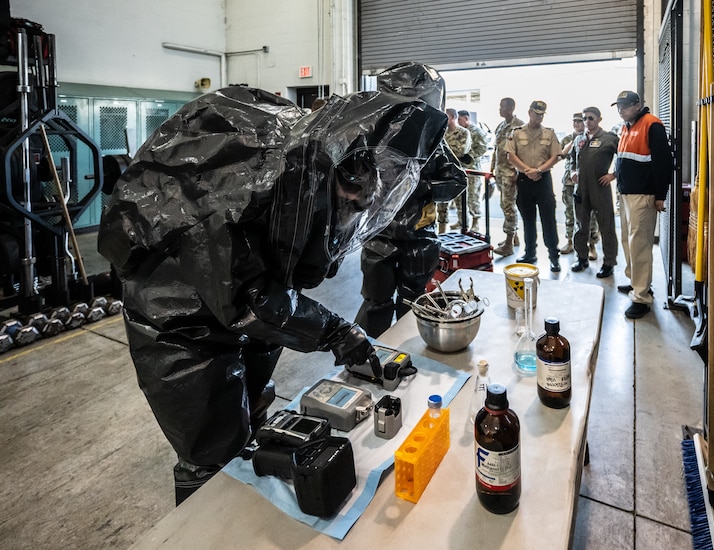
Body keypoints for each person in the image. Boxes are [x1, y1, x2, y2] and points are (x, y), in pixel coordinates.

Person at [97, 79, 450, 504]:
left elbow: (276, 277)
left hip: (247, 309)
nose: (349, 217)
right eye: (350, 205)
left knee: (254, 416)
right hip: (180, 325)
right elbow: (247, 296)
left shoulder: (305, 175)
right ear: (331, 182)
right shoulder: (232, 196)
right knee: (210, 453)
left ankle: (242, 496)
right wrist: (336, 332)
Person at [355, 63, 466, 337]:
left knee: (412, 303)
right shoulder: (371, 140)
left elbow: (457, 181)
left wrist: (419, 185)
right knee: (375, 302)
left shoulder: (432, 144)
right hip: (378, 235)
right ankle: (367, 356)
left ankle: (410, 355)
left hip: (418, 237)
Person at [611, 90, 673, 319]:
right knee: (628, 241)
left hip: (642, 196)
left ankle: (642, 298)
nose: (621, 110)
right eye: (618, 106)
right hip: (626, 194)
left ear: (638, 105)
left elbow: (664, 163)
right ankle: (637, 282)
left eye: (625, 106)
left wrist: (660, 196)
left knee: (640, 245)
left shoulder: (651, 125)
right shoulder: (627, 126)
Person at [504, 100, 563, 272]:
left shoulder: (549, 134)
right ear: (529, 112)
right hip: (524, 180)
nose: (539, 117)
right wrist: (527, 170)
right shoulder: (516, 132)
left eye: (541, 114)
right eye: (536, 113)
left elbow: (555, 156)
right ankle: (530, 253)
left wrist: (538, 170)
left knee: (548, 220)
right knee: (528, 220)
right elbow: (510, 155)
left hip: (543, 180)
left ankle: (554, 256)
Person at [569, 106, 619, 279]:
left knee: (606, 226)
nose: (587, 121)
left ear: (599, 119)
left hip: (600, 188)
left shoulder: (609, 139)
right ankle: (581, 257)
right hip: (581, 189)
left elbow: (623, 158)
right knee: (581, 225)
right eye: (584, 118)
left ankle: (609, 263)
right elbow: (571, 158)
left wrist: (613, 175)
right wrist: (572, 171)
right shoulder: (579, 139)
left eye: (591, 118)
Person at [559, 112, 599, 259]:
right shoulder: (568, 139)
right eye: (574, 121)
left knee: (590, 216)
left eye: (579, 121)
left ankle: (591, 245)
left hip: (588, 184)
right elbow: (561, 155)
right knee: (569, 214)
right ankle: (570, 242)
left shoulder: (591, 138)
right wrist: (575, 140)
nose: (577, 124)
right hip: (570, 183)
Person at [490, 97, 524, 256]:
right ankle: (514, 237)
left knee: (509, 207)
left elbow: (523, 153)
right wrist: (492, 169)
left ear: (511, 108)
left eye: (502, 107)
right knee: (505, 206)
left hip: (511, 174)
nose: (499, 109)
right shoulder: (501, 126)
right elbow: (496, 150)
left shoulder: (519, 127)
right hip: (500, 172)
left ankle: (509, 244)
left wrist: (518, 172)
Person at [437, 108, 471, 233]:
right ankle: (441, 231)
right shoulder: (442, 132)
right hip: (443, 173)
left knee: (461, 205)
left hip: (458, 173)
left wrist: (443, 155)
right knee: (442, 206)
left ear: (451, 117)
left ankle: (464, 230)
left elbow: (460, 152)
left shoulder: (463, 133)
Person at [456, 109, 488, 232]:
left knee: (472, 197)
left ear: (466, 118)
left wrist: (470, 156)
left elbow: (483, 147)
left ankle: (475, 222)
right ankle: (462, 221)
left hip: (473, 169)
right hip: (461, 169)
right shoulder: (460, 132)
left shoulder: (477, 131)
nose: (458, 122)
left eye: (460, 119)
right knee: (459, 197)